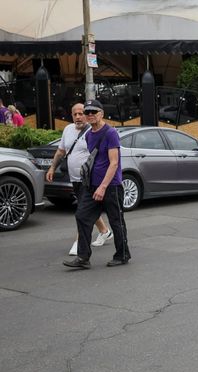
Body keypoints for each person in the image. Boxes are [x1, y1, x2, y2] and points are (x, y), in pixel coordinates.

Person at [63, 99, 130, 269]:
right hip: (91, 186)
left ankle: (122, 255)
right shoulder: (89, 134)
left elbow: (114, 163)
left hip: (111, 187)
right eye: (87, 112)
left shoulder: (110, 133)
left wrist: (103, 186)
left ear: (102, 113)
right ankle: (83, 258)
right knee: (82, 216)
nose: (90, 115)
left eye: (94, 111)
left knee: (116, 222)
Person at [46, 102, 113, 256]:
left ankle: (79, 243)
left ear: (87, 114)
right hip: (75, 179)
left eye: (81, 113)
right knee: (86, 209)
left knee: (82, 212)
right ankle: (105, 231)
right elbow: (61, 151)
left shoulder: (94, 131)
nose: (78, 117)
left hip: (89, 180)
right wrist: (52, 168)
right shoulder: (68, 130)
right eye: (75, 114)